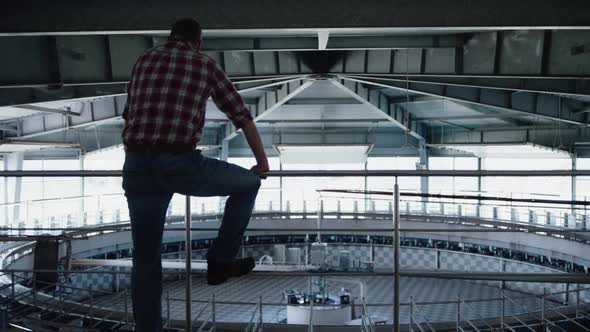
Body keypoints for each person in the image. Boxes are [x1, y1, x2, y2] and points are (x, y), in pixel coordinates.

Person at [121, 18, 269, 332]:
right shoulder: (204, 65)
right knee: (249, 184)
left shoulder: (143, 60)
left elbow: (129, 112)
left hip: (136, 165)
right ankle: (221, 260)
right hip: (179, 163)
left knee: (145, 257)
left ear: (170, 37)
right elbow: (241, 116)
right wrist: (261, 161)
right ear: (197, 42)